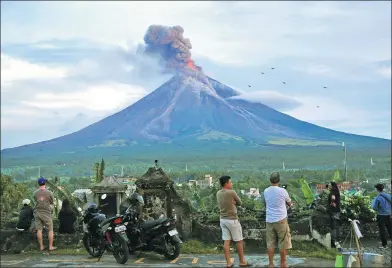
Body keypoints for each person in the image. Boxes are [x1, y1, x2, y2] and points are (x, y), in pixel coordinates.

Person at [216, 175, 251, 268]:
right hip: (232, 220)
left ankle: (228, 263)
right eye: (230, 182)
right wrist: (234, 202)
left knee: (226, 241)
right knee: (239, 241)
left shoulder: (218, 193)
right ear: (226, 183)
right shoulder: (231, 192)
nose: (231, 184)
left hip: (223, 219)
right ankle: (242, 261)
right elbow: (240, 203)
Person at [263, 172, 293, 268]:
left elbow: (266, 203)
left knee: (270, 243)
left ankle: (271, 264)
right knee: (283, 242)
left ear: (270, 180)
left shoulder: (266, 191)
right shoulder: (283, 191)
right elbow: (289, 203)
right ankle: (283, 264)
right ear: (279, 181)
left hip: (269, 220)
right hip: (281, 220)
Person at [33, 177, 56, 251]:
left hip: (37, 212)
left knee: (39, 230)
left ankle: (41, 246)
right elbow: (52, 202)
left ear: (38, 183)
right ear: (45, 183)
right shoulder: (49, 193)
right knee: (50, 230)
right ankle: (50, 246)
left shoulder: (35, 193)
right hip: (46, 213)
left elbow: (35, 200)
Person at [371, 183, 392, 249]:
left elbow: (374, 207)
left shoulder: (378, 198)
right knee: (390, 229)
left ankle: (384, 245)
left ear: (377, 189)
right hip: (389, 215)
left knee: (382, 230)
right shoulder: (389, 196)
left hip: (381, 215)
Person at [328, 182, 341, 248]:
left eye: (330, 185)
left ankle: (334, 241)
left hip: (334, 211)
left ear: (332, 186)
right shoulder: (337, 191)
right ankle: (338, 240)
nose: (329, 186)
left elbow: (333, 198)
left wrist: (332, 202)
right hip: (337, 210)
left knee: (333, 225)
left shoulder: (333, 191)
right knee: (337, 225)